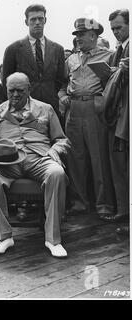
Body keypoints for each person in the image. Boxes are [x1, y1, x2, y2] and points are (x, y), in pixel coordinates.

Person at [0, 72, 69, 258]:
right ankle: (3, 237)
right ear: (6, 90)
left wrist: (54, 152)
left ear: (29, 89)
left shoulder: (46, 109)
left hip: (39, 158)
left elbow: (61, 140)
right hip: (7, 163)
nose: (15, 95)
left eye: (20, 90)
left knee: (57, 172)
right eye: (11, 91)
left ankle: (53, 239)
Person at [59, 18, 114, 218]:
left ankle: (104, 205)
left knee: (99, 158)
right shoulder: (71, 59)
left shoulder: (109, 56)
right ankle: (79, 203)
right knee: (75, 158)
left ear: (93, 35)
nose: (78, 38)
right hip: (73, 109)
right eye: (77, 35)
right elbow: (62, 84)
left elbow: (115, 86)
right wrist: (63, 96)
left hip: (94, 108)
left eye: (81, 35)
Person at [2, 4, 66, 124]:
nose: (37, 22)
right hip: (24, 109)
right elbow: (6, 81)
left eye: (40, 19)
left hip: (50, 106)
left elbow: (59, 79)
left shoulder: (57, 49)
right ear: (26, 22)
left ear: (45, 20)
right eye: (33, 19)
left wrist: (48, 91)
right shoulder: (13, 49)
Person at [101, 9, 129, 235]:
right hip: (117, 115)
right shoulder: (117, 51)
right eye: (113, 29)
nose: (116, 32)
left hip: (127, 115)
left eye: (119, 27)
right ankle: (123, 210)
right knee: (118, 164)